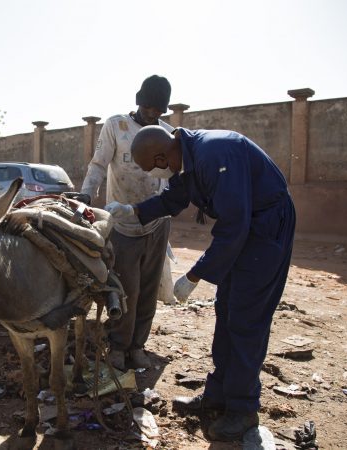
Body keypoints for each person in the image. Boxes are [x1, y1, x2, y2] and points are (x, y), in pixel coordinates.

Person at [106, 125, 296, 441]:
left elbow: (235, 224)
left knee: (247, 320)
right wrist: (133, 211)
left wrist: (194, 275)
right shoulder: (190, 156)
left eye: (151, 167)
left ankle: (242, 410)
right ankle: (219, 397)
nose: (154, 174)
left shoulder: (214, 154)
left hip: (266, 228)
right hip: (248, 227)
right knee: (227, 311)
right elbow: (175, 198)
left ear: (161, 156)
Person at [80, 75, 173, 370]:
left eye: (159, 110)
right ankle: (118, 345)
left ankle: (138, 346)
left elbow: (173, 178)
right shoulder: (116, 127)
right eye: (149, 107)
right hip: (123, 226)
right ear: (139, 101)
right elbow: (97, 164)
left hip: (156, 224)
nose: (153, 114)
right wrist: (86, 194)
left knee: (147, 290)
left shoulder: (168, 133)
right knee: (124, 289)